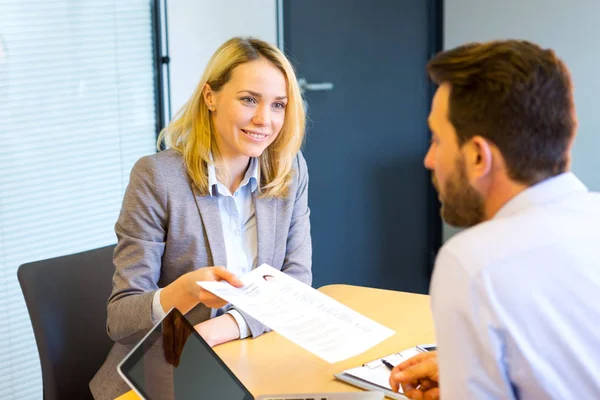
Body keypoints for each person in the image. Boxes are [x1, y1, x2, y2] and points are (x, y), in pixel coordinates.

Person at [90, 37, 311, 400]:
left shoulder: (288, 170)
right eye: (248, 99)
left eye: (278, 105)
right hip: (166, 373)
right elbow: (120, 318)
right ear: (210, 97)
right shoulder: (157, 178)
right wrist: (183, 292)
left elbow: (296, 285)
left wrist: (226, 327)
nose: (264, 120)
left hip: (250, 356)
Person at [390, 40, 600, 399]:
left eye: (438, 140)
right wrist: (468, 369)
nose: (428, 159)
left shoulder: (473, 262)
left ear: (477, 157)